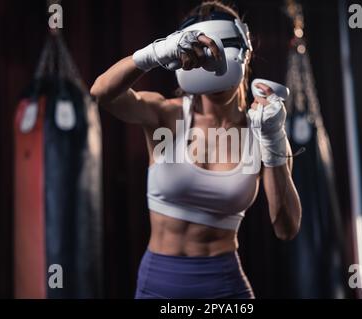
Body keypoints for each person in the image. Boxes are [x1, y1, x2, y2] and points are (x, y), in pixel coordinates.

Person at [90, 0, 302, 299]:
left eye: (220, 55)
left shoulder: (264, 127)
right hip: (159, 285)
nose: (213, 73)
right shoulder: (166, 115)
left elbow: (286, 228)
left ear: (244, 52)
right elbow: (101, 94)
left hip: (226, 290)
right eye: (202, 59)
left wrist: (273, 139)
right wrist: (155, 53)